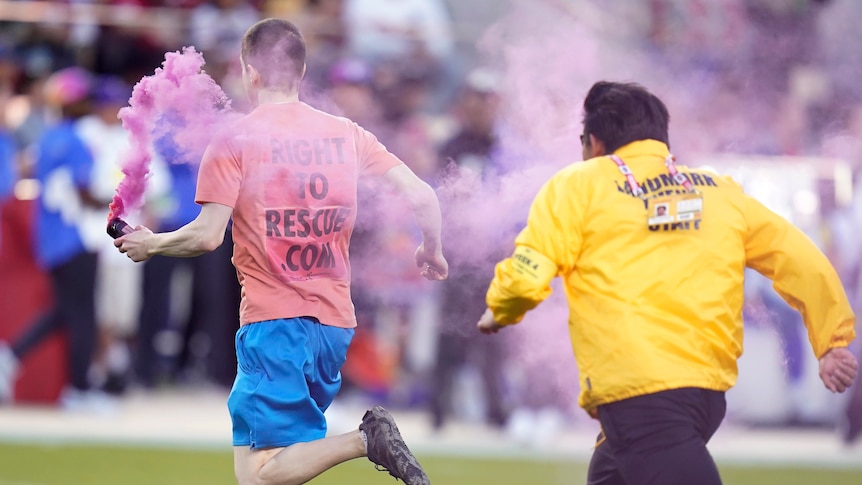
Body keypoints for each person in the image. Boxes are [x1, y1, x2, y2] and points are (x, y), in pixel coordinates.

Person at [114, 18, 447, 485]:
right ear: (302, 70)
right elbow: (423, 196)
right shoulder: (346, 133)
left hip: (274, 323)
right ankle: (361, 440)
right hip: (333, 326)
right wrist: (431, 250)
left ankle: (364, 440)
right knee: (288, 461)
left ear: (249, 71)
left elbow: (208, 236)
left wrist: (153, 244)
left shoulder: (235, 139)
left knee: (259, 474)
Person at [475, 81, 858, 485]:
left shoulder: (578, 185)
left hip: (639, 393)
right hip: (704, 395)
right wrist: (831, 340)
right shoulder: (718, 191)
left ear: (594, 142)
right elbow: (799, 257)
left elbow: (529, 269)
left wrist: (501, 307)